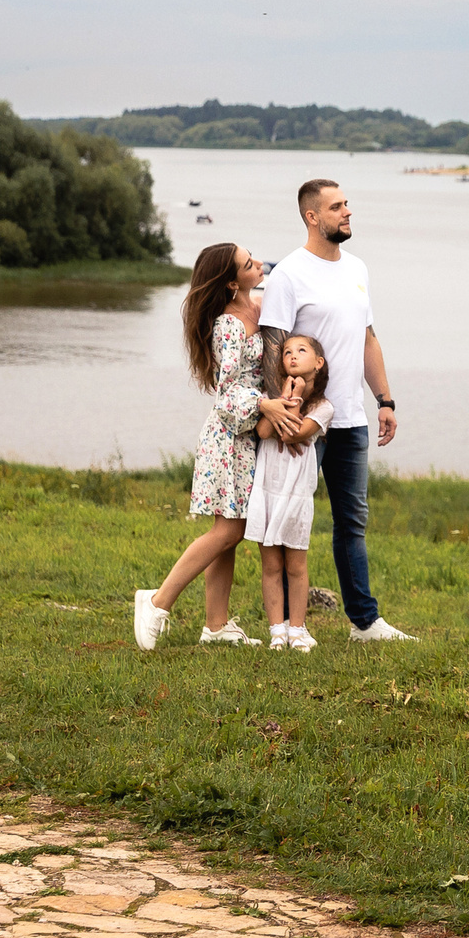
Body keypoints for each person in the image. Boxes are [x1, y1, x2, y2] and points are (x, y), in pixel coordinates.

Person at [257, 177, 415, 642]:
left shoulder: (358, 267)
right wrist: (284, 414)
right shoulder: (288, 274)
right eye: (337, 207)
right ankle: (284, 626)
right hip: (305, 424)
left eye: (347, 204)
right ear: (313, 217)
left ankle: (364, 622)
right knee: (288, 519)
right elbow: (272, 349)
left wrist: (384, 399)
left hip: (350, 419)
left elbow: (367, 338)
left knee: (352, 521)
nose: (348, 212)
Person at [133, 243, 305, 650]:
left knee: (230, 529)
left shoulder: (258, 308)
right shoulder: (229, 325)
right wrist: (265, 404)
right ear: (232, 282)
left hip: (248, 436)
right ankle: (157, 602)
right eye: (249, 264)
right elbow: (226, 393)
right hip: (228, 439)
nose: (259, 263)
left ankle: (216, 625)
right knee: (230, 529)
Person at [245, 333, 332, 651]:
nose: (292, 356)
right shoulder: (275, 396)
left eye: (301, 351)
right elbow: (265, 430)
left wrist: (288, 404)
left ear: (318, 363)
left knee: (296, 566)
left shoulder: (323, 407)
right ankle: (276, 630)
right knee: (270, 566)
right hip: (267, 492)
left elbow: (295, 435)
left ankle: (297, 628)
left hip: (296, 496)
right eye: (287, 352)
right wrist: (286, 392)